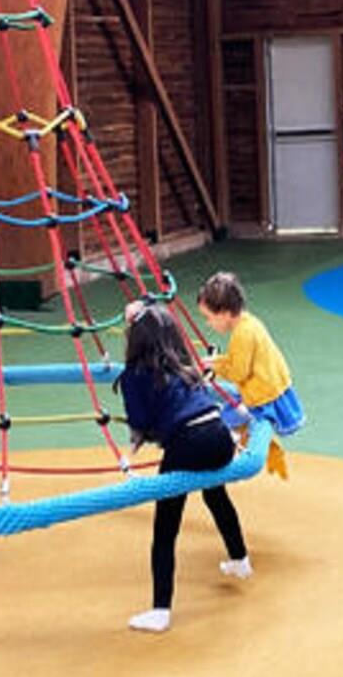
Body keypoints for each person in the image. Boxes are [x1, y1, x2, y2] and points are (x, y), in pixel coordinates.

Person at [118, 302, 250, 634]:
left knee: (166, 526)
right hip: (219, 437)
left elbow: (141, 422)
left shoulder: (135, 373)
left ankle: (160, 610)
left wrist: (139, 437)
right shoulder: (182, 365)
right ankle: (239, 559)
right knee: (215, 493)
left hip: (188, 442)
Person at [199, 272, 304, 443]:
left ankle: (231, 437)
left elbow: (238, 373)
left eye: (208, 317)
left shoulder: (242, 335)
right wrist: (213, 362)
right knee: (214, 391)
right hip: (265, 388)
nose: (207, 323)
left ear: (224, 313)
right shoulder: (248, 322)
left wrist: (216, 366)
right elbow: (237, 360)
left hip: (262, 400)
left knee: (222, 423)